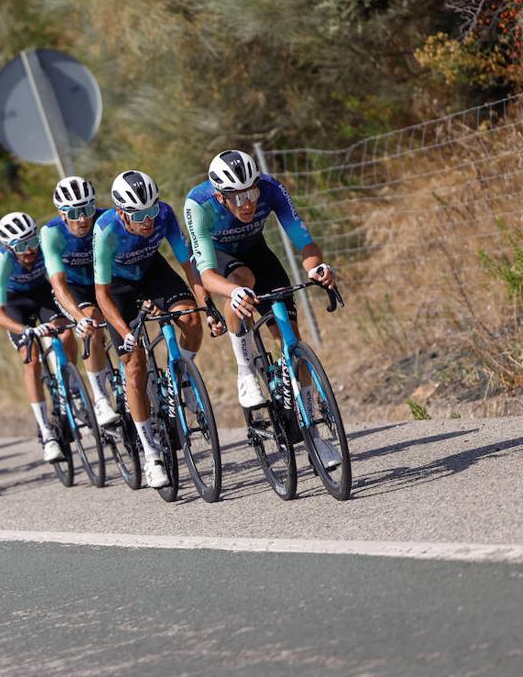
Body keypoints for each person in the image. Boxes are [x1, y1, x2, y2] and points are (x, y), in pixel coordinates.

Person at [184, 149, 340, 467]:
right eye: (237, 196)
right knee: (241, 282)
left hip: (257, 251)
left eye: (251, 192)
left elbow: (303, 239)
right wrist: (233, 291)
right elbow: (207, 274)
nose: (247, 202)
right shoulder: (198, 204)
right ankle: (245, 369)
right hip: (218, 259)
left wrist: (316, 267)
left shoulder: (271, 188)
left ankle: (314, 435)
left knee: (291, 340)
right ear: (220, 196)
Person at [94, 170, 226, 488]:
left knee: (191, 320)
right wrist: (125, 332)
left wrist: (207, 306)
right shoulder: (105, 230)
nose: (148, 220)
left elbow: (188, 264)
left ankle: (180, 377)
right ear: (122, 213)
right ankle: (152, 453)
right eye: (140, 215)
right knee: (135, 367)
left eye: (151, 210)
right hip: (118, 288)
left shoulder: (164, 214)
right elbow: (101, 293)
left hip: (154, 272)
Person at [0, 212, 70, 465]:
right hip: (14, 305)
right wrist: (23, 330)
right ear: (8, 247)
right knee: (31, 359)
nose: (29, 251)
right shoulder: (3, 260)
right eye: (21, 246)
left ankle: (70, 385)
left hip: (42, 294)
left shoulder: (43, 245)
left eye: (32, 242)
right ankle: (46, 432)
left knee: (65, 332)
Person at [40, 176, 119, 428]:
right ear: (62, 214)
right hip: (75, 290)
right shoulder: (52, 233)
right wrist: (79, 318)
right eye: (75, 213)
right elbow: (58, 285)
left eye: (87, 210)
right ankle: (100, 398)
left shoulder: (107, 219)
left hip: (107, 281)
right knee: (93, 327)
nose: (83, 219)